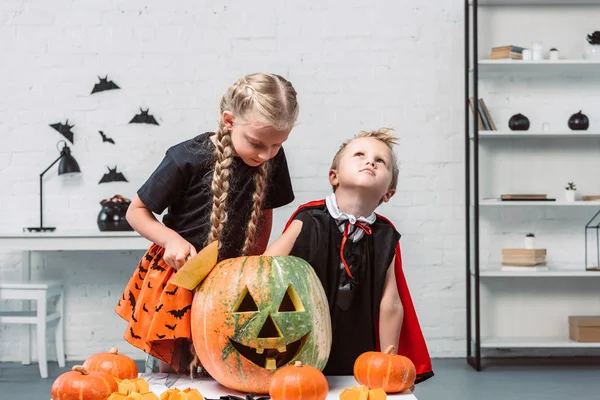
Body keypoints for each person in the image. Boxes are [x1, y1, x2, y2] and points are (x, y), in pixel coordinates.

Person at [115, 73, 299, 374]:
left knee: (226, 365)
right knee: (174, 371)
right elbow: (136, 211)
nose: (266, 154)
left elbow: (264, 215)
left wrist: (253, 267)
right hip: (180, 276)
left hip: (231, 282)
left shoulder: (272, 159)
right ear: (229, 121)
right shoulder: (184, 158)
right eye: (257, 143)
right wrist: (170, 240)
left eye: (277, 145)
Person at [264, 128, 433, 383]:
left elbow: (391, 303)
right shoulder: (308, 219)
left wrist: (389, 362)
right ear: (334, 176)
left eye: (380, 161)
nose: (370, 162)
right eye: (360, 154)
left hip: (357, 345)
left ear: (389, 192)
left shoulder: (386, 235)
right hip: (303, 345)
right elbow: (264, 270)